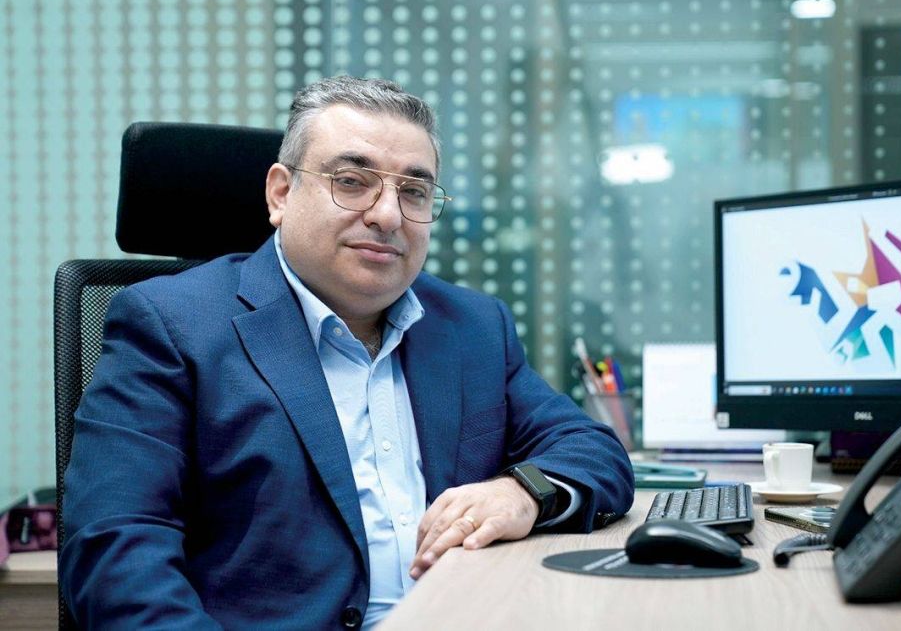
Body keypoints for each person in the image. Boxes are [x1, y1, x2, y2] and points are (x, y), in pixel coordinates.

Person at [60, 76, 634, 629]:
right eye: (353, 182)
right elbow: (116, 551)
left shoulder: (472, 326)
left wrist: (522, 491)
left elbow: (594, 451)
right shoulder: (170, 325)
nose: (388, 215)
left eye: (413, 191)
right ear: (281, 193)